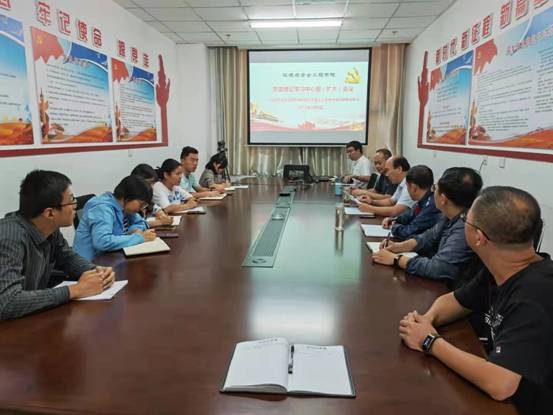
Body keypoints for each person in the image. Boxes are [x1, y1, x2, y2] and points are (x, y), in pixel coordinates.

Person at [398, 187, 552, 414]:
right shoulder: (503, 266)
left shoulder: (536, 295)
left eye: (466, 221)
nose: (463, 224)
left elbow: (500, 384)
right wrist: (427, 320)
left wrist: (430, 341)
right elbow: (456, 300)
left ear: (479, 237)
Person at [0, 170, 115, 320]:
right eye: (72, 200)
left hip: (30, 318)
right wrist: (74, 290)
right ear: (50, 213)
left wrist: (96, 272)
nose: (75, 205)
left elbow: (68, 257)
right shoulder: (9, 237)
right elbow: (7, 303)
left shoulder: (49, 229)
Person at [373, 167, 482, 282]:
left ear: (443, 199)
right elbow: (426, 238)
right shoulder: (448, 216)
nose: (432, 192)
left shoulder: (464, 227)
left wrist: (396, 259)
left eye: (435, 188)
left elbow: (438, 268)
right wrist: (398, 246)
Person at [74, 176, 157, 260]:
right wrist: (140, 238)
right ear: (127, 197)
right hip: (90, 262)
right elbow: (102, 241)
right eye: (141, 204)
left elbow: (141, 222)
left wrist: (133, 230)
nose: (142, 208)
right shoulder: (102, 209)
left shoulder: (126, 208)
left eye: (144, 205)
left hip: (111, 255)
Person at [381, 165, 441, 241]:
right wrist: (394, 220)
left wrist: (393, 227)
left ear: (414, 188)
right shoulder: (423, 199)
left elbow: (408, 232)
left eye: (407, 187)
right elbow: (409, 215)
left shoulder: (431, 206)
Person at [130, 163, 172, 228]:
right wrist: (160, 222)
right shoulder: (131, 201)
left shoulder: (145, 197)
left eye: (153, 183)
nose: (152, 187)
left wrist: (161, 213)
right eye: (149, 183)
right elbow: (135, 225)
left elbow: (153, 207)